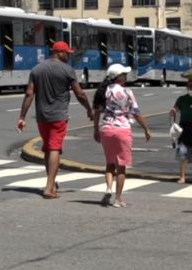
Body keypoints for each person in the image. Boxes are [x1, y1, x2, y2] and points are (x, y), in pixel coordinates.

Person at [16, 40, 93, 199]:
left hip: (42, 117)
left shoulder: (37, 69)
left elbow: (29, 94)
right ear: (59, 52)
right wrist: (89, 109)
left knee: (48, 148)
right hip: (58, 116)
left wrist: (22, 117)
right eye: (67, 53)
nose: (68, 56)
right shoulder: (67, 70)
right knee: (55, 149)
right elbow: (79, 93)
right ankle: (49, 188)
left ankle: (52, 182)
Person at [93, 63, 151, 208]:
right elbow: (136, 113)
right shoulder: (127, 92)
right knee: (121, 166)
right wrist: (146, 128)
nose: (126, 76)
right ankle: (118, 199)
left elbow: (97, 112)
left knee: (109, 163)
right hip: (122, 130)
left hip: (106, 129)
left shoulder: (103, 91)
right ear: (119, 77)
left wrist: (95, 129)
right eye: (124, 74)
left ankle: (108, 188)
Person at [169, 77, 192, 184]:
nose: (190, 88)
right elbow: (175, 109)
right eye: (189, 86)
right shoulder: (182, 99)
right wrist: (173, 111)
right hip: (185, 127)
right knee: (183, 152)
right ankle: (182, 176)